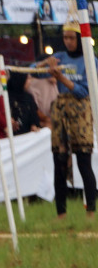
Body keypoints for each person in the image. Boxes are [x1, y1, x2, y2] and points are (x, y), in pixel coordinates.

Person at [38, 17, 96, 217]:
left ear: (80, 39)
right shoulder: (60, 56)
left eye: (72, 38)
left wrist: (61, 78)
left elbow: (85, 92)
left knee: (83, 162)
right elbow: (34, 71)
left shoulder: (90, 60)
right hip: (61, 111)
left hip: (81, 112)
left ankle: (91, 210)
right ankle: (61, 213)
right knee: (59, 161)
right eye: (65, 38)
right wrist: (45, 63)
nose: (68, 41)